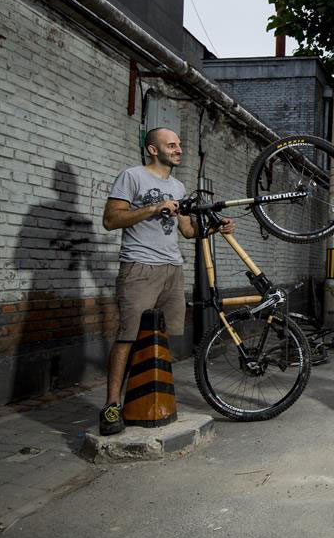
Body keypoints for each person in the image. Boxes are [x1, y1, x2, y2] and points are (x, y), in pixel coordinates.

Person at [100, 128, 234, 435]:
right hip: (139, 268)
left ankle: (150, 401)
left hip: (173, 269)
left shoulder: (178, 185)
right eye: (171, 145)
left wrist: (217, 228)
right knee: (127, 337)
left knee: (163, 337)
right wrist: (152, 207)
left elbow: (187, 231)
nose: (178, 149)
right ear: (152, 149)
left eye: (179, 144)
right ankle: (111, 406)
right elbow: (111, 220)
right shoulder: (131, 177)